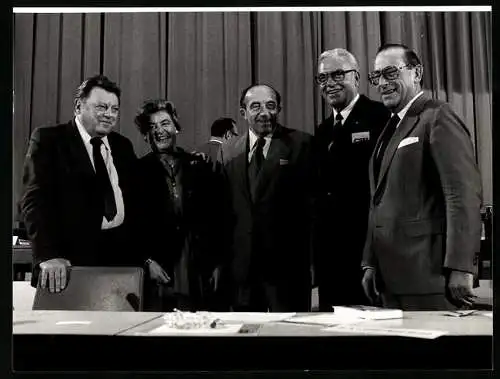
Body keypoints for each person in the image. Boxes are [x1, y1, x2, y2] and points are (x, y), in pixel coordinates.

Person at [361, 43, 482, 311]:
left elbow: (462, 195)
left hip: (429, 276)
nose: (382, 83)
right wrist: (369, 261)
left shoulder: (437, 116)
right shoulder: (390, 128)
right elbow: (378, 201)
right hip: (389, 278)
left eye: (391, 73)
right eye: (376, 76)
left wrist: (462, 266)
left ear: (416, 73)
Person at [19, 75, 140, 293]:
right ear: (78, 106)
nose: (109, 115)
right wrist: (48, 255)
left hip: (119, 268)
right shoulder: (49, 140)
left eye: (114, 109)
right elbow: (33, 201)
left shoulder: (123, 146)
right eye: (102, 107)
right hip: (67, 266)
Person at [218, 84, 315, 312]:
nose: (264, 113)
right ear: (243, 113)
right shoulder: (228, 151)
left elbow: (312, 210)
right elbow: (224, 212)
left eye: (270, 106)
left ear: (279, 109)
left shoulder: (302, 144)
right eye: (256, 107)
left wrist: (313, 264)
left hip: (288, 270)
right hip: (243, 272)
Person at [313, 48, 390, 310]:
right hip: (331, 258)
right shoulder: (323, 130)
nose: (330, 84)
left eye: (337, 75)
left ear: (356, 77)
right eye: (323, 78)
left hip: (368, 253)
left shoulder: (381, 117)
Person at [134, 99, 222, 311]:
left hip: (199, 267)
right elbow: (132, 225)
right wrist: (146, 262)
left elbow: (217, 217)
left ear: (176, 127)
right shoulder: (136, 171)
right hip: (161, 269)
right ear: (146, 134)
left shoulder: (199, 165)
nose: (159, 131)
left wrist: (217, 263)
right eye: (152, 126)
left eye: (165, 123)